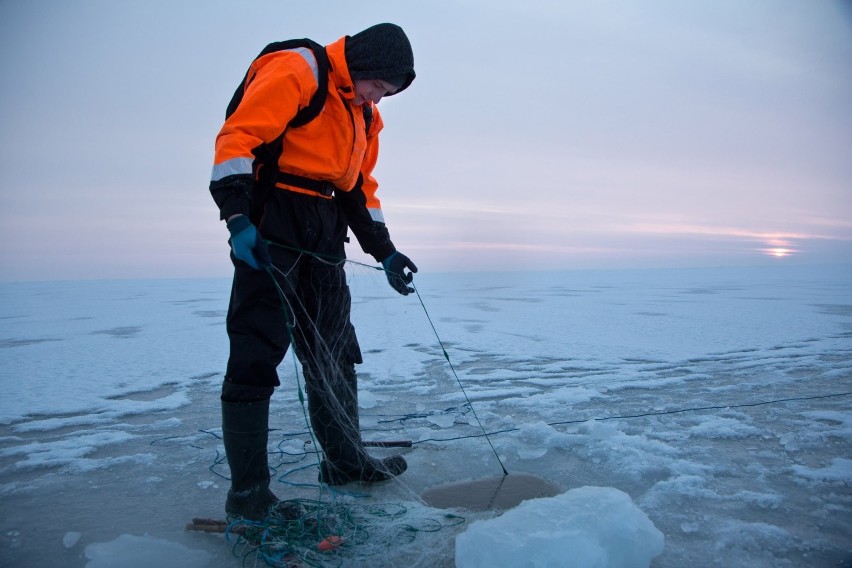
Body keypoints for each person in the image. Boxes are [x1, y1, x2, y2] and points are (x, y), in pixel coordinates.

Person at [208, 23, 418, 521]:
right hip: (273, 218)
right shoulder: (300, 69)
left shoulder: (364, 116)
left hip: (325, 228)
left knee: (334, 346)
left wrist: (385, 252)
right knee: (257, 349)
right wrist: (238, 218)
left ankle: (345, 462)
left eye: (386, 95)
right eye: (379, 87)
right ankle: (249, 497)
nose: (378, 100)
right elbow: (237, 138)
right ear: (365, 67)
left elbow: (358, 189)